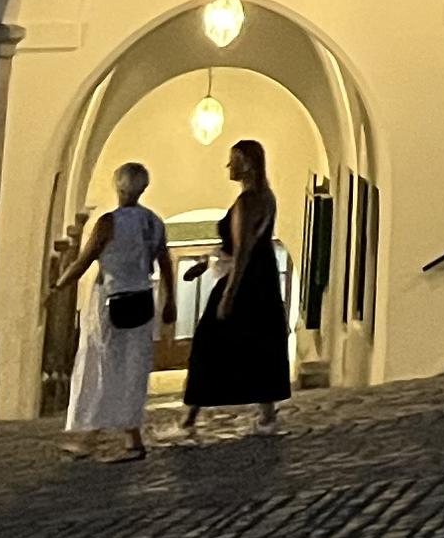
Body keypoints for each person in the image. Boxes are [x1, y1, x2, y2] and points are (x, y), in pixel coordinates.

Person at [54, 164, 171, 459]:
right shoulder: (153, 222)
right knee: (133, 368)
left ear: (119, 187)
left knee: (102, 364)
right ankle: (131, 437)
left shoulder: (109, 223)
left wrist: (58, 286)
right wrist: (170, 302)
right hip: (143, 299)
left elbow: (85, 260)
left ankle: (88, 434)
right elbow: (165, 262)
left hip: (111, 301)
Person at [180, 138, 290, 438]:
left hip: (246, 279)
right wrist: (208, 261)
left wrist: (229, 294)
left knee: (209, 342)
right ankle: (266, 414)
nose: (229, 166)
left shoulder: (248, 201)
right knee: (261, 342)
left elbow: (242, 250)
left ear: (247, 163)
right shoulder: (266, 197)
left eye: (234, 159)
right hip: (262, 277)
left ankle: (191, 416)